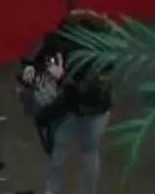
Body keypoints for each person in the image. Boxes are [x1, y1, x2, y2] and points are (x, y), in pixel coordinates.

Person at [18, 16, 115, 194]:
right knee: (58, 153)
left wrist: (62, 77)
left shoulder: (104, 57)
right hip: (67, 107)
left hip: (93, 112)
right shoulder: (64, 39)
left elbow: (92, 90)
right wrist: (30, 64)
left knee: (89, 154)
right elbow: (44, 43)